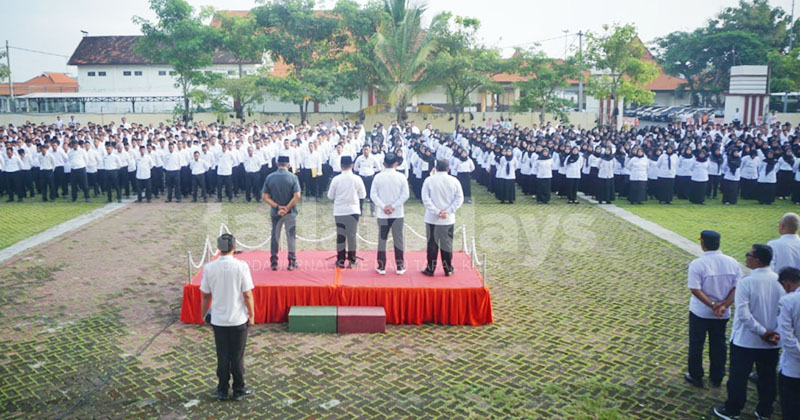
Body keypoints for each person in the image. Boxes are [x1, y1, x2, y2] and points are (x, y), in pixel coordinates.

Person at [712, 244, 784, 420]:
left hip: (746, 340)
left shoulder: (746, 282)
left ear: (757, 260)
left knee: (738, 377)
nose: (746, 257)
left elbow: (744, 315)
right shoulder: (780, 281)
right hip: (772, 341)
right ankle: (764, 411)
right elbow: (785, 312)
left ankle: (733, 409)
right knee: (767, 378)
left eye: (748, 255)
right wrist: (773, 333)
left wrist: (762, 332)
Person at [200, 234, 255, 402]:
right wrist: (251, 316)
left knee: (222, 355)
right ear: (234, 247)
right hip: (238, 319)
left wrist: (203, 315)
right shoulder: (241, 266)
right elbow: (247, 295)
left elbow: (205, 295)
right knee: (237, 356)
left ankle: (222, 389)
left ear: (218, 248)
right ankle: (239, 388)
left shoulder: (209, 268)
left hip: (218, 319)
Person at [685, 230, 742, 389]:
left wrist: (711, 304)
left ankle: (696, 375)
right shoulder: (733, 262)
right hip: (722, 314)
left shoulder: (697, 264)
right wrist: (724, 304)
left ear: (703, 244)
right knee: (718, 344)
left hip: (700, 312)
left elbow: (695, 289)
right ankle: (717, 376)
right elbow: (737, 288)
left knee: (696, 344)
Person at [421, 159, 464, 276]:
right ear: (448, 169)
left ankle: (430, 269)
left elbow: (425, 199)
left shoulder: (429, 180)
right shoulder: (454, 181)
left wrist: (436, 211)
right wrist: (448, 211)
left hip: (432, 218)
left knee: (432, 245)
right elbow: (459, 199)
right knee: (447, 244)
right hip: (447, 219)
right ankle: (448, 268)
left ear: (435, 168)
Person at [370, 153, 410, 275]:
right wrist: (393, 206)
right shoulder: (401, 177)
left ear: (384, 164)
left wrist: (383, 206)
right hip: (397, 213)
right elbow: (405, 195)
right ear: (396, 164)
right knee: (398, 240)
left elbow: (373, 195)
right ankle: (400, 266)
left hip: (383, 214)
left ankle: (381, 266)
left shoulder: (378, 177)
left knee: (382, 239)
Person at [261, 155, 301, 271]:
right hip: (290, 211)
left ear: (277, 164)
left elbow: (264, 197)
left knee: (275, 236)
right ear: (288, 165)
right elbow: (297, 195)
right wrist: (287, 208)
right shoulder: (293, 177)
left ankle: (274, 262)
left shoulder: (270, 177)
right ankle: (292, 262)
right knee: (291, 236)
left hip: (275, 211)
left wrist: (278, 206)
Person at [327, 155, 366, 268]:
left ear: (341, 166)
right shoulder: (357, 179)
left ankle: (340, 260)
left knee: (341, 236)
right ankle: (352, 260)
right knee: (352, 236)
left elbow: (330, 196)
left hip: (339, 211)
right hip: (353, 210)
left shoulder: (336, 179)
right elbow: (363, 195)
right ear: (352, 165)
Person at [776, 267, 800, 420]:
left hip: (793, 368)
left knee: (791, 408)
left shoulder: (788, 301)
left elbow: (787, 337)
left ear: (787, 284)